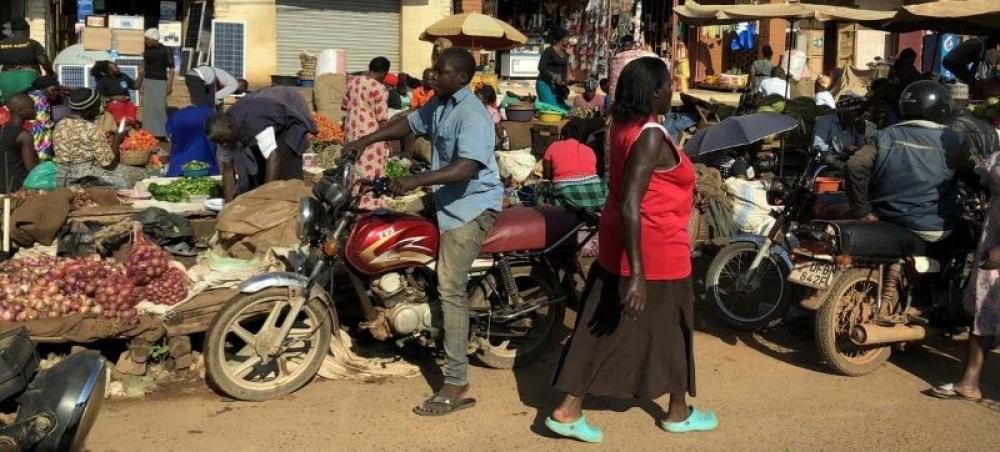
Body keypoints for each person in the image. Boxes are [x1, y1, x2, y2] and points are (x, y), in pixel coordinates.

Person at [546, 57, 716, 444]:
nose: (673, 91)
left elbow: (643, 190)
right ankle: (572, 409)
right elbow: (632, 203)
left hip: (622, 241)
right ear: (654, 92)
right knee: (661, 327)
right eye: (669, 85)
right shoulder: (651, 134)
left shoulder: (623, 126)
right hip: (655, 250)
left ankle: (676, 409)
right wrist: (637, 275)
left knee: (614, 324)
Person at [340, 48, 502, 417]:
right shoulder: (439, 103)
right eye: (433, 68)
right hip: (444, 197)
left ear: (461, 77)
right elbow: (407, 125)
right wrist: (363, 141)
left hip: (471, 206)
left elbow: (465, 168)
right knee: (388, 222)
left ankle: (457, 382)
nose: (432, 74)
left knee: (450, 287)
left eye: (441, 71)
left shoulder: (472, 114)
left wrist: (417, 179)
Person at [845, 80, 963, 242]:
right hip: (935, 229)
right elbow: (977, 174)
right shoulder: (954, 140)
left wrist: (863, 211)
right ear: (943, 109)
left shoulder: (883, 136)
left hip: (888, 220)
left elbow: (855, 165)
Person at [931, 151, 1000, 402]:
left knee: (987, 305)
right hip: (992, 231)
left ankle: (970, 382)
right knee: (984, 307)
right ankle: (969, 382)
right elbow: (982, 177)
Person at [204, 86, 316, 202]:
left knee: (286, 173)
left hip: (289, 107)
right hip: (263, 109)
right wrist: (228, 205)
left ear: (231, 127)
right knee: (259, 175)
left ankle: (302, 201)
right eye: (221, 143)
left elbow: (273, 156)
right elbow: (228, 170)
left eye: (226, 140)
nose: (225, 144)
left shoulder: (254, 122)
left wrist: (265, 199)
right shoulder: (222, 135)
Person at [52, 88, 140, 189]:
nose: (99, 109)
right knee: (140, 175)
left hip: (62, 179)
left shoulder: (59, 125)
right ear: (86, 110)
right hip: (85, 179)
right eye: (97, 106)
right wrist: (117, 140)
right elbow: (109, 164)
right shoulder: (91, 128)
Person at [342, 56, 392, 209]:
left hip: (352, 127)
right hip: (370, 131)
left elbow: (344, 105)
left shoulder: (353, 81)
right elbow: (382, 118)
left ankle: (352, 197)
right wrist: (389, 139)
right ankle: (369, 203)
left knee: (354, 162)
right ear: (384, 72)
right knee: (371, 164)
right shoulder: (380, 88)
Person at [541, 118, 604, 211]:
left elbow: (546, 176)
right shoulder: (589, 150)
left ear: (563, 135)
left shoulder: (553, 146)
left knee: (541, 188)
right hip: (596, 194)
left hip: (566, 195)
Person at [0, 17, 53, 103]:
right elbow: (43, 61)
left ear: (12, 31)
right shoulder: (33, 43)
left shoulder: (1, 44)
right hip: (28, 78)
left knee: (8, 104)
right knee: (30, 104)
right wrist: (51, 73)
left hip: (6, 79)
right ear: (27, 30)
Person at [723, 157, 781, 235]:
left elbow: (730, 183)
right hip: (751, 231)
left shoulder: (741, 186)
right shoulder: (755, 189)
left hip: (740, 230)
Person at [165, 106, 217, 177]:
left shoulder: (176, 118)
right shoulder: (208, 113)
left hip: (179, 170)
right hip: (210, 169)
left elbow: (172, 141)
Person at [0, 94, 37, 193]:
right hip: (18, 186)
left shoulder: (2, 129)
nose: (35, 110)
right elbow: (31, 168)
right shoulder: (24, 136)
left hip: (3, 184)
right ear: (20, 111)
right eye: (32, 108)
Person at [140, 28, 173, 139]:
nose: (146, 41)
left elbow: (172, 69)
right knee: (148, 109)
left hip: (160, 81)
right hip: (148, 81)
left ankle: (163, 132)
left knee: (159, 108)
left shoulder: (166, 50)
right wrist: (142, 84)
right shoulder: (146, 50)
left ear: (154, 39)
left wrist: (169, 85)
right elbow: (144, 67)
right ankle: (149, 133)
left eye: (147, 39)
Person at [607, 35, 657, 105]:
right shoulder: (638, 54)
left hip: (615, 98)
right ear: (633, 45)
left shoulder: (614, 59)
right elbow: (656, 58)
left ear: (621, 46)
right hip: (632, 98)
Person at [24, 75, 61, 160]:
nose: (56, 93)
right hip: (38, 133)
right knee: (43, 159)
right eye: (52, 90)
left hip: (28, 130)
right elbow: (44, 122)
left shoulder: (30, 94)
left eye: (57, 90)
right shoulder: (42, 99)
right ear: (43, 88)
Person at [92, 61, 138, 126]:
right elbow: (99, 97)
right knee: (117, 106)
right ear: (109, 72)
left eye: (116, 65)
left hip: (127, 103)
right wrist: (114, 97)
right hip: (113, 104)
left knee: (131, 105)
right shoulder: (102, 82)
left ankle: (130, 121)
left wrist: (142, 74)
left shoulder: (123, 76)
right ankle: (121, 123)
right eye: (115, 67)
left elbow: (135, 86)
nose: (118, 67)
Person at [537, 28, 572, 109]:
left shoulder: (566, 53)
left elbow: (564, 70)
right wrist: (554, 76)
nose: (569, 41)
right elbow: (541, 67)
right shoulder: (549, 51)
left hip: (557, 87)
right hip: (545, 84)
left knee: (565, 109)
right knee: (552, 109)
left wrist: (565, 83)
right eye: (567, 38)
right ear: (562, 39)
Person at [475, 85, 504, 150]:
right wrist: (502, 137)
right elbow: (498, 128)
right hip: (488, 144)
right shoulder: (492, 112)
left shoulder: (470, 109)